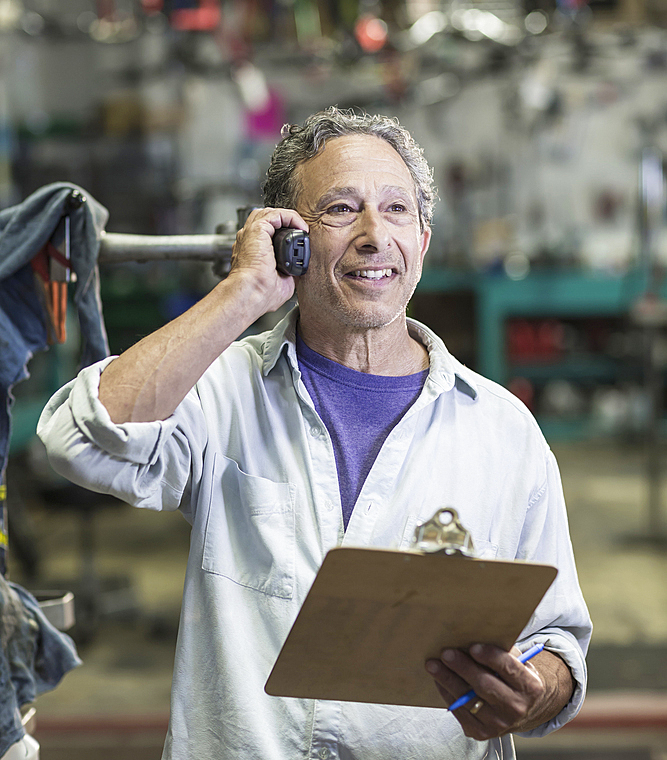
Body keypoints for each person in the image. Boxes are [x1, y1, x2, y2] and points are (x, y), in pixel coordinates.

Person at [37, 107, 591, 760]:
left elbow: (556, 639)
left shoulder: (501, 431)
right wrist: (243, 293)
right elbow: (78, 441)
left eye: (395, 210)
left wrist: (536, 691)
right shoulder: (222, 391)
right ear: (286, 240)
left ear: (423, 239)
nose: (372, 235)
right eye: (338, 209)